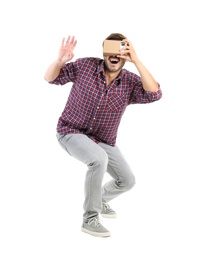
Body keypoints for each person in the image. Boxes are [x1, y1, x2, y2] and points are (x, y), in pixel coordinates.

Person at [44, 33, 162, 237]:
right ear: (104, 52)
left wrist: (136, 59)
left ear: (125, 56)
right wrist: (60, 61)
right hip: (71, 131)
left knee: (127, 180)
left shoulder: (130, 82)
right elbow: (50, 78)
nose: (115, 56)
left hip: (103, 140)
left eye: (121, 52)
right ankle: (90, 219)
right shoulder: (85, 66)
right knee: (99, 159)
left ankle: (100, 199)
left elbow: (155, 94)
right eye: (111, 50)